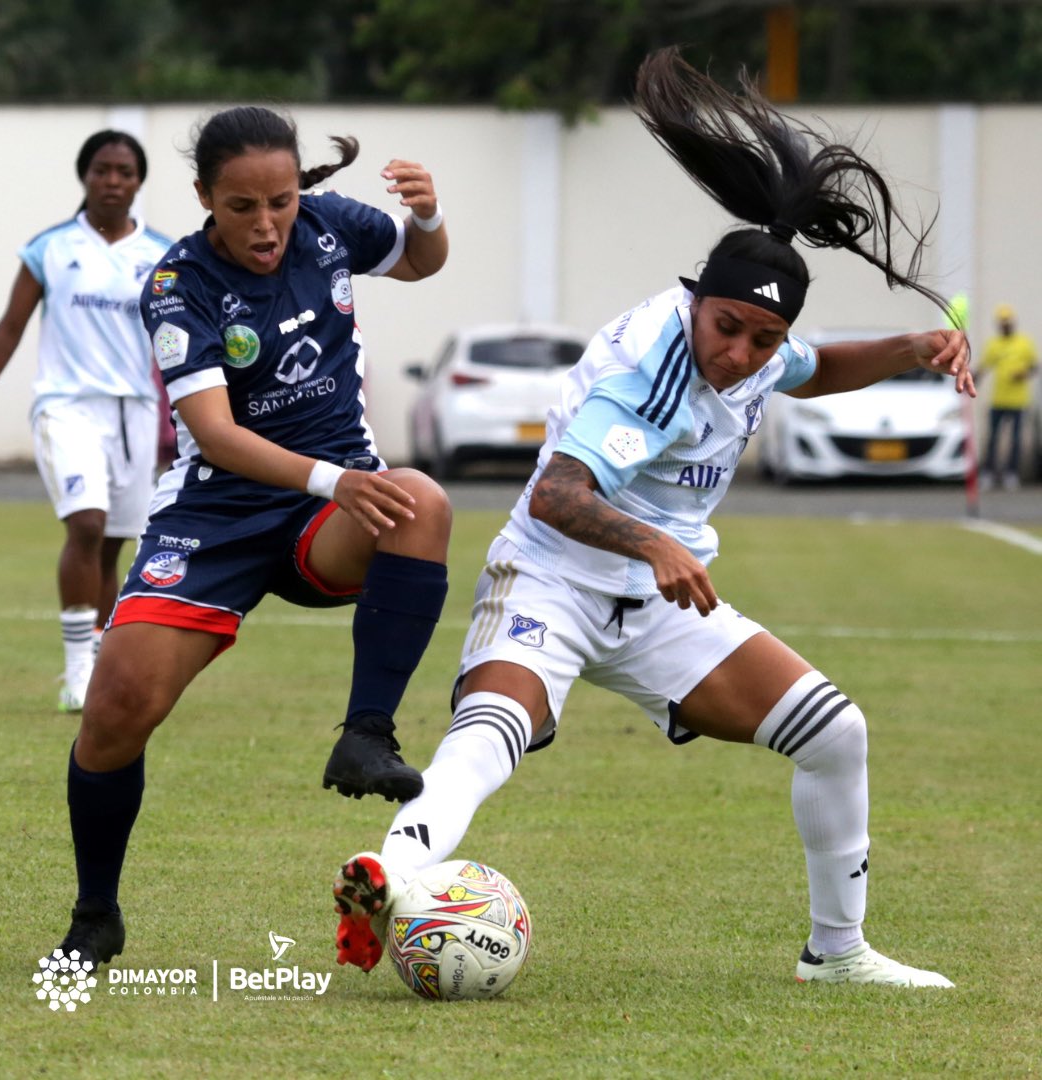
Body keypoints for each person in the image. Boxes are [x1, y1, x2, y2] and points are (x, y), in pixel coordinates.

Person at [332, 47, 971, 988]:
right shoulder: (650, 368)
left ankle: (837, 954)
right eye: (727, 329)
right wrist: (655, 541)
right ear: (694, 303)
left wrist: (912, 346)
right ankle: (390, 874)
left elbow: (814, 368)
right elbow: (557, 493)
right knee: (493, 731)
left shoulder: (759, 349)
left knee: (837, 732)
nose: (741, 354)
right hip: (552, 577)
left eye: (764, 339)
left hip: (660, 602)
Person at [50, 105, 452, 968]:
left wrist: (427, 214)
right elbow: (217, 433)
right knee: (117, 708)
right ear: (204, 197)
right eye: (242, 207)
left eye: (281, 201)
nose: (267, 225)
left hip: (325, 514)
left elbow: (421, 260)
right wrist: (335, 479)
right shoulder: (176, 283)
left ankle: (366, 734)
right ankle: (95, 915)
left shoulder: (329, 226)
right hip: (216, 515)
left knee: (420, 502)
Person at [0, 131, 173, 712]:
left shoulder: (162, 255)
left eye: (125, 171)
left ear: (139, 180)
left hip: (134, 412)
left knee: (110, 544)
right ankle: (77, 673)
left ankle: (99, 667)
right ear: (84, 176)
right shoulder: (51, 248)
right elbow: (10, 326)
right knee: (85, 524)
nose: (113, 181)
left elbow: (178, 336)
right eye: (102, 169)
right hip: (66, 406)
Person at [978, 304, 1037, 491]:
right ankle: (988, 473)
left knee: (1015, 440)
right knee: (993, 438)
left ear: (1013, 323)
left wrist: (1024, 373)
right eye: (1002, 323)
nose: (1005, 326)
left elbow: (1034, 366)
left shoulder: (1024, 342)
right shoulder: (994, 344)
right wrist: (972, 378)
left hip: (1019, 400)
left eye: (1008, 322)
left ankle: (1011, 473)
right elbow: (984, 366)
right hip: (998, 399)